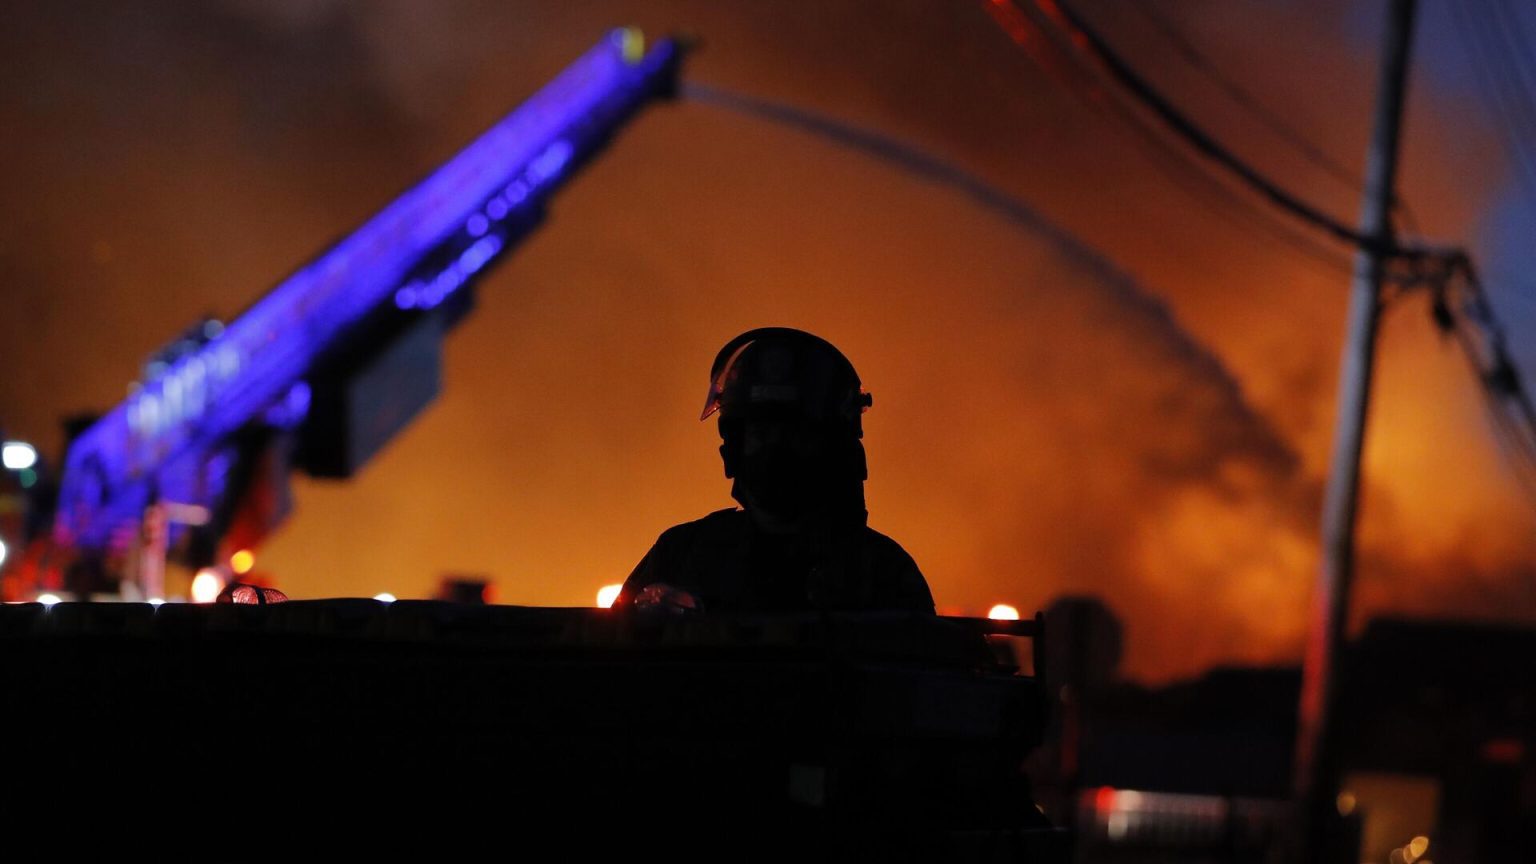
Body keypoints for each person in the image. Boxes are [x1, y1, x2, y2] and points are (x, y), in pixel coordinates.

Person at [617, 328, 934, 614]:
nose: (776, 449)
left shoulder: (882, 573)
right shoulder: (682, 554)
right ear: (734, 446)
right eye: (761, 432)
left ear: (835, 450)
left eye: (796, 433)